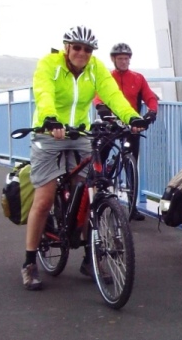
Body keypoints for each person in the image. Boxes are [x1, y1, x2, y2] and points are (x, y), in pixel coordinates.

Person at [21, 26, 149, 291]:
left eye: (88, 49)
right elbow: (43, 91)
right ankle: (30, 262)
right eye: (77, 47)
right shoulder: (50, 64)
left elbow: (113, 95)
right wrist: (49, 118)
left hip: (79, 133)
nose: (82, 53)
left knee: (88, 193)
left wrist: (132, 117)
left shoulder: (95, 68)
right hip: (49, 133)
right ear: (66, 47)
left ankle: (89, 258)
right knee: (44, 199)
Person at [93, 42, 159, 221]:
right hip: (110, 124)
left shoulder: (138, 78)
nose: (123, 62)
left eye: (126, 59)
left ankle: (132, 207)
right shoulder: (107, 77)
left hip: (132, 125)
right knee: (101, 153)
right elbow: (98, 96)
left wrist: (151, 113)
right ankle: (99, 192)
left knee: (131, 163)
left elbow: (150, 97)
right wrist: (103, 111)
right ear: (113, 60)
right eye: (120, 58)